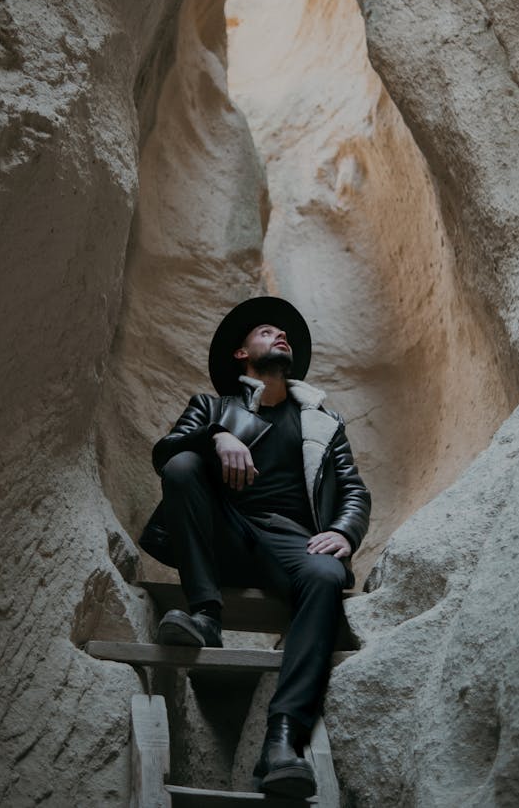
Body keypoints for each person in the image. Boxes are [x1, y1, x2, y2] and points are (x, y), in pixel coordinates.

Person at [139, 296, 371, 798]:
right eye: (266, 332)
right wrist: (218, 436)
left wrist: (346, 532)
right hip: (226, 531)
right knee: (184, 467)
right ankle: (205, 614)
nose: (279, 336)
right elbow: (167, 455)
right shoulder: (212, 406)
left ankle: (283, 742)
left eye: (283, 333)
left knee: (327, 576)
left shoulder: (321, 422)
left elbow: (353, 490)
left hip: (291, 541)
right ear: (241, 354)